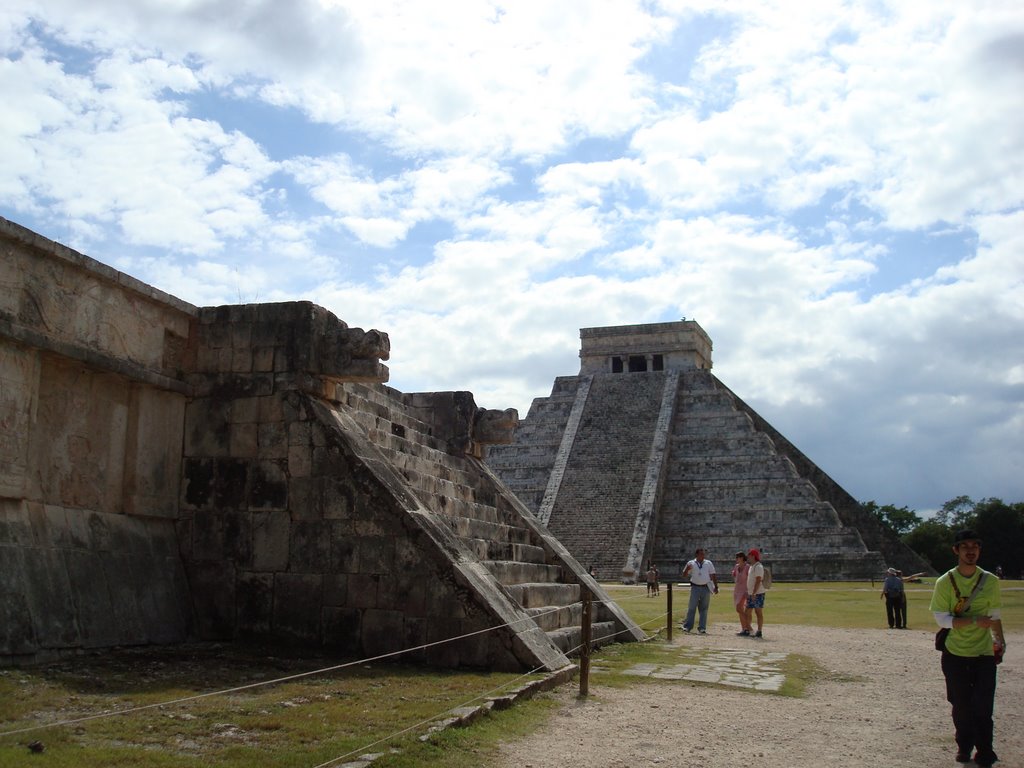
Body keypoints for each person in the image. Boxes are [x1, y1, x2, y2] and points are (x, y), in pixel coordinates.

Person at [930, 529, 1005, 767]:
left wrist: (1000, 641)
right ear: (956, 550)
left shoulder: (990, 581)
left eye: (975, 546)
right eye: (965, 546)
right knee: (961, 705)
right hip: (954, 653)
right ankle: (964, 744)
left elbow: (994, 615)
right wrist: (973, 621)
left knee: (984, 706)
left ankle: (985, 752)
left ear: (979, 550)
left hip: (983, 653)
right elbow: (942, 619)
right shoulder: (945, 582)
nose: (971, 550)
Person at [680, 548, 718, 634]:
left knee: (704, 609)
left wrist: (716, 586)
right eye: (701, 554)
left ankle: (702, 627)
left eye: (703, 554)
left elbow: (713, 575)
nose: (703, 556)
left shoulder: (708, 563)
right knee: (692, 607)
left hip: (705, 587)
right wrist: (686, 569)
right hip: (695, 587)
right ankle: (688, 626)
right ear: (696, 555)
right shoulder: (691, 563)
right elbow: (684, 575)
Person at [745, 548, 767, 638]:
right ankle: (750, 629)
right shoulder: (751, 566)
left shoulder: (758, 566)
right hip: (751, 593)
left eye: (749, 555)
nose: (748, 557)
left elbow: (758, 580)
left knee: (758, 612)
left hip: (758, 593)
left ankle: (759, 630)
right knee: (747, 612)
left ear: (753, 556)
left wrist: (754, 593)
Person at [731, 551, 752, 636]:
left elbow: (750, 579)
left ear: (742, 558)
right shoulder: (736, 566)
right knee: (739, 610)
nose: (736, 559)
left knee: (739, 608)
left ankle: (747, 627)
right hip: (737, 590)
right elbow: (735, 574)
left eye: (738, 557)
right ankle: (745, 628)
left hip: (744, 590)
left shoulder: (747, 567)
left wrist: (749, 591)